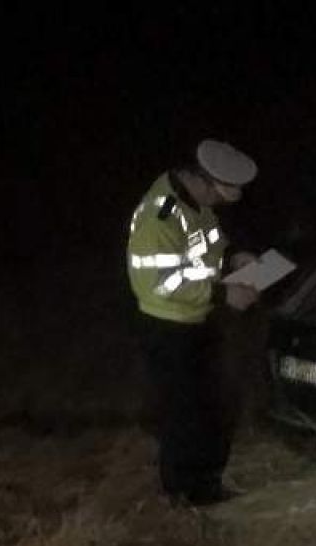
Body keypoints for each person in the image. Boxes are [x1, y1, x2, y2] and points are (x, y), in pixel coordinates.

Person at [125, 138, 261, 506]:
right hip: (168, 327)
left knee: (210, 405)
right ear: (201, 179)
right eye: (218, 194)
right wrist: (222, 294)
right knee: (182, 413)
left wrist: (234, 258)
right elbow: (159, 283)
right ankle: (183, 494)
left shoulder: (195, 202)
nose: (217, 203)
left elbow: (210, 244)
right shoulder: (161, 216)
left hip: (197, 319)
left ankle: (206, 485)